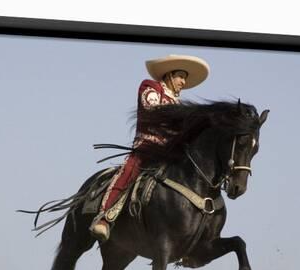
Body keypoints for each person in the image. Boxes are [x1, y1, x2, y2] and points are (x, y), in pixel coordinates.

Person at [90, 54, 210, 242]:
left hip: (170, 154)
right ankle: (105, 217)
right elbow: (153, 110)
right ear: (169, 75)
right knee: (130, 170)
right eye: (180, 76)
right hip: (147, 147)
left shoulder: (178, 104)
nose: (183, 81)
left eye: (185, 77)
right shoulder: (150, 87)